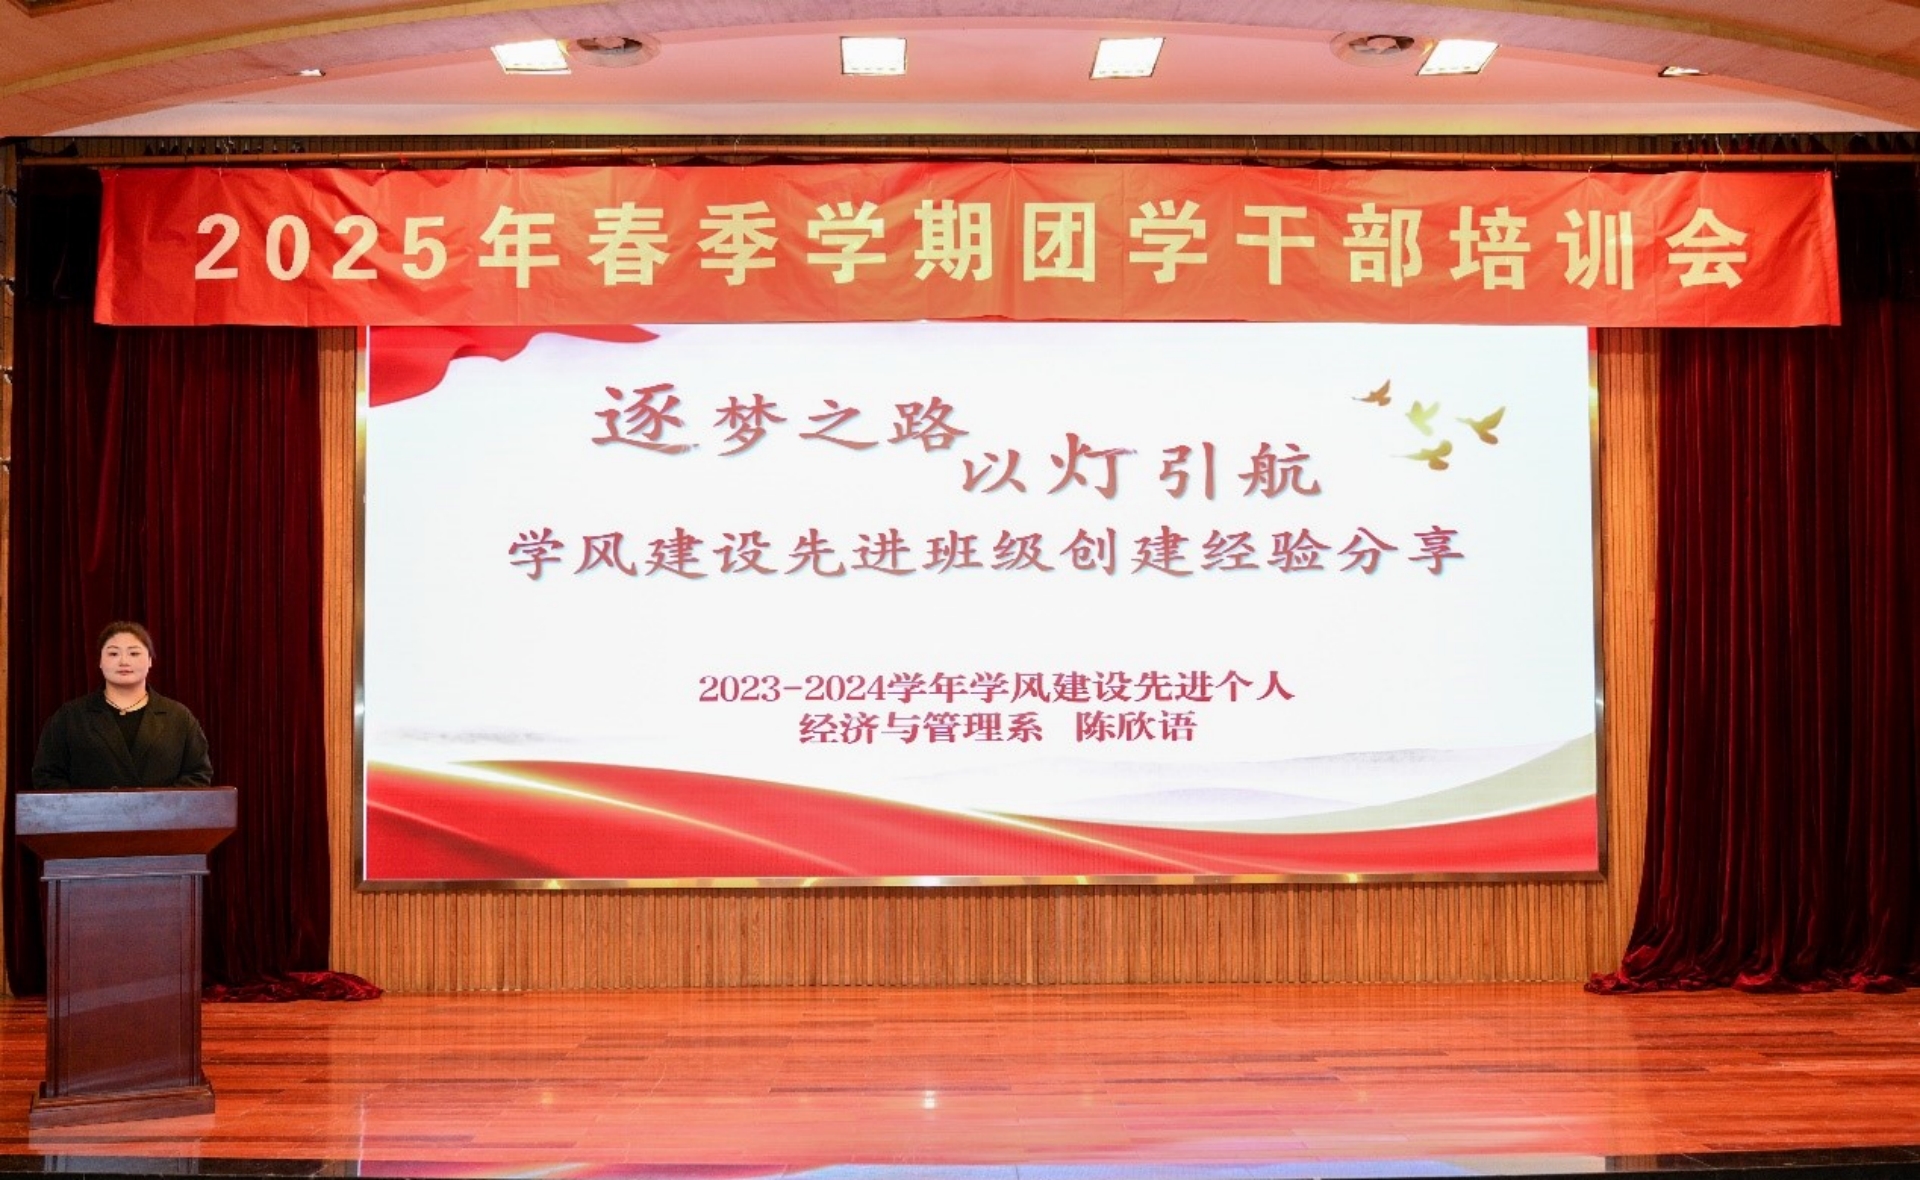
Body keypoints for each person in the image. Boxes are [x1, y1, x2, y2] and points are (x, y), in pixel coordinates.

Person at [29, 620, 213, 790]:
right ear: (100, 661)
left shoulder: (178, 717)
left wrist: (158, 806)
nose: (124, 661)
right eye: (113, 653)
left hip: (161, 815)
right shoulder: (70, 717)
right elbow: (47, 776)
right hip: (90, 815)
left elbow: (198, 774)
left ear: (150, 660)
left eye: (134, 653)